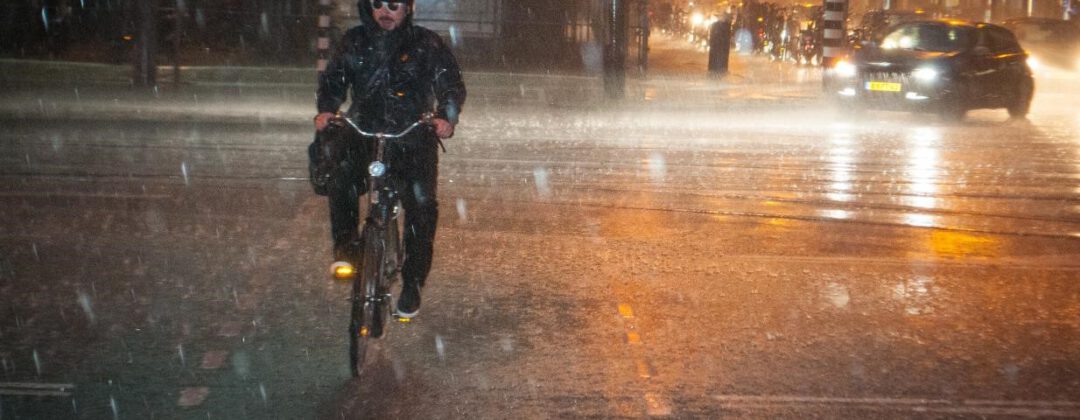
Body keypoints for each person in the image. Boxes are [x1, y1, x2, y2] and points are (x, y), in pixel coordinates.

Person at [311, 0, 466, 319]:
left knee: (421, 205)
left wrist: (445, 117)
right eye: (378, 3)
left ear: (407, 9)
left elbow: (450, 84)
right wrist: (327, 109)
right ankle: (346, 249)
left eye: (394, 5)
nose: (385, 11)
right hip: (363, 131)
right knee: (341, 180)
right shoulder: (354, 41)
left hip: (412, 135)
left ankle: (413, 282)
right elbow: (334, 80)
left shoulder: (426, 43)